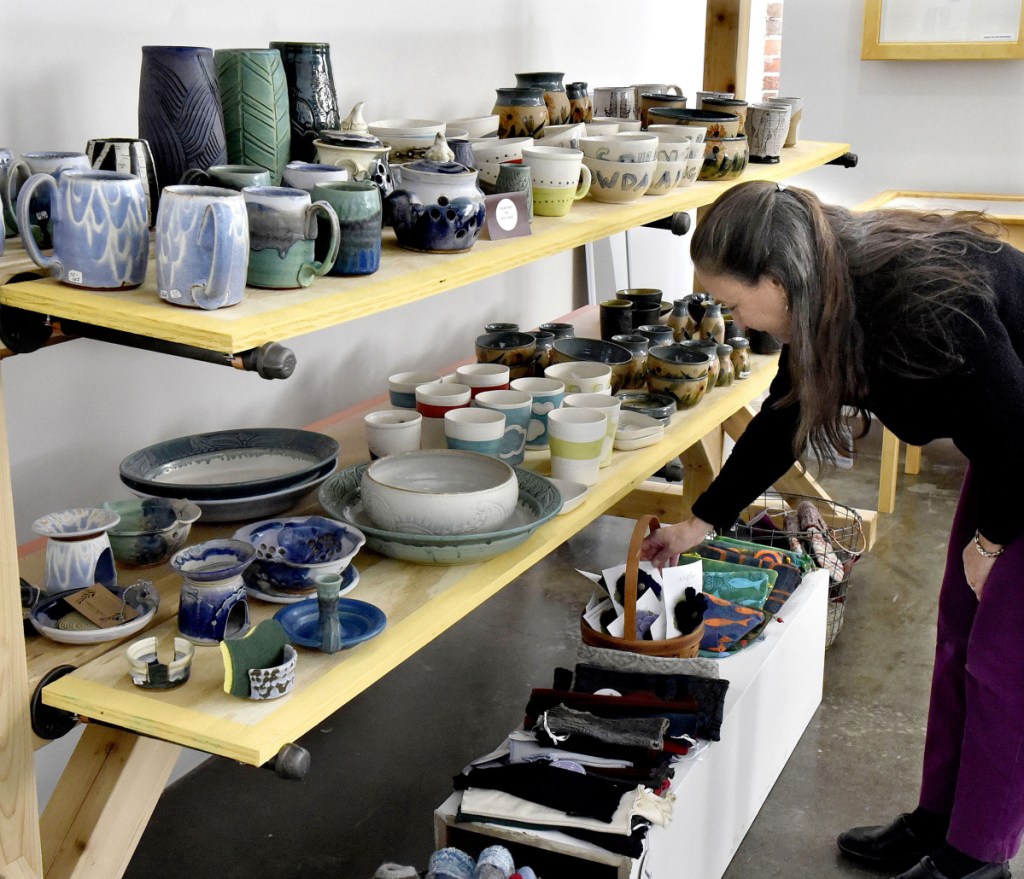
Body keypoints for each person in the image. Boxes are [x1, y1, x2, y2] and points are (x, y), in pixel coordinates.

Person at [641, 179, 1024, 879]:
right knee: (957, 631)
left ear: (779, 279)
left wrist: (992, 541)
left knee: (1005, 662)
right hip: (1006, 444)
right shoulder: (823, 292)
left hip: (1021, 446)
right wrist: (702, 519)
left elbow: (1016, 434)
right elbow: (784, 416)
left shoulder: (918, 304)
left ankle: (975, 861)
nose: (737, 320)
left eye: (733, 302)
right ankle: (941, 823)